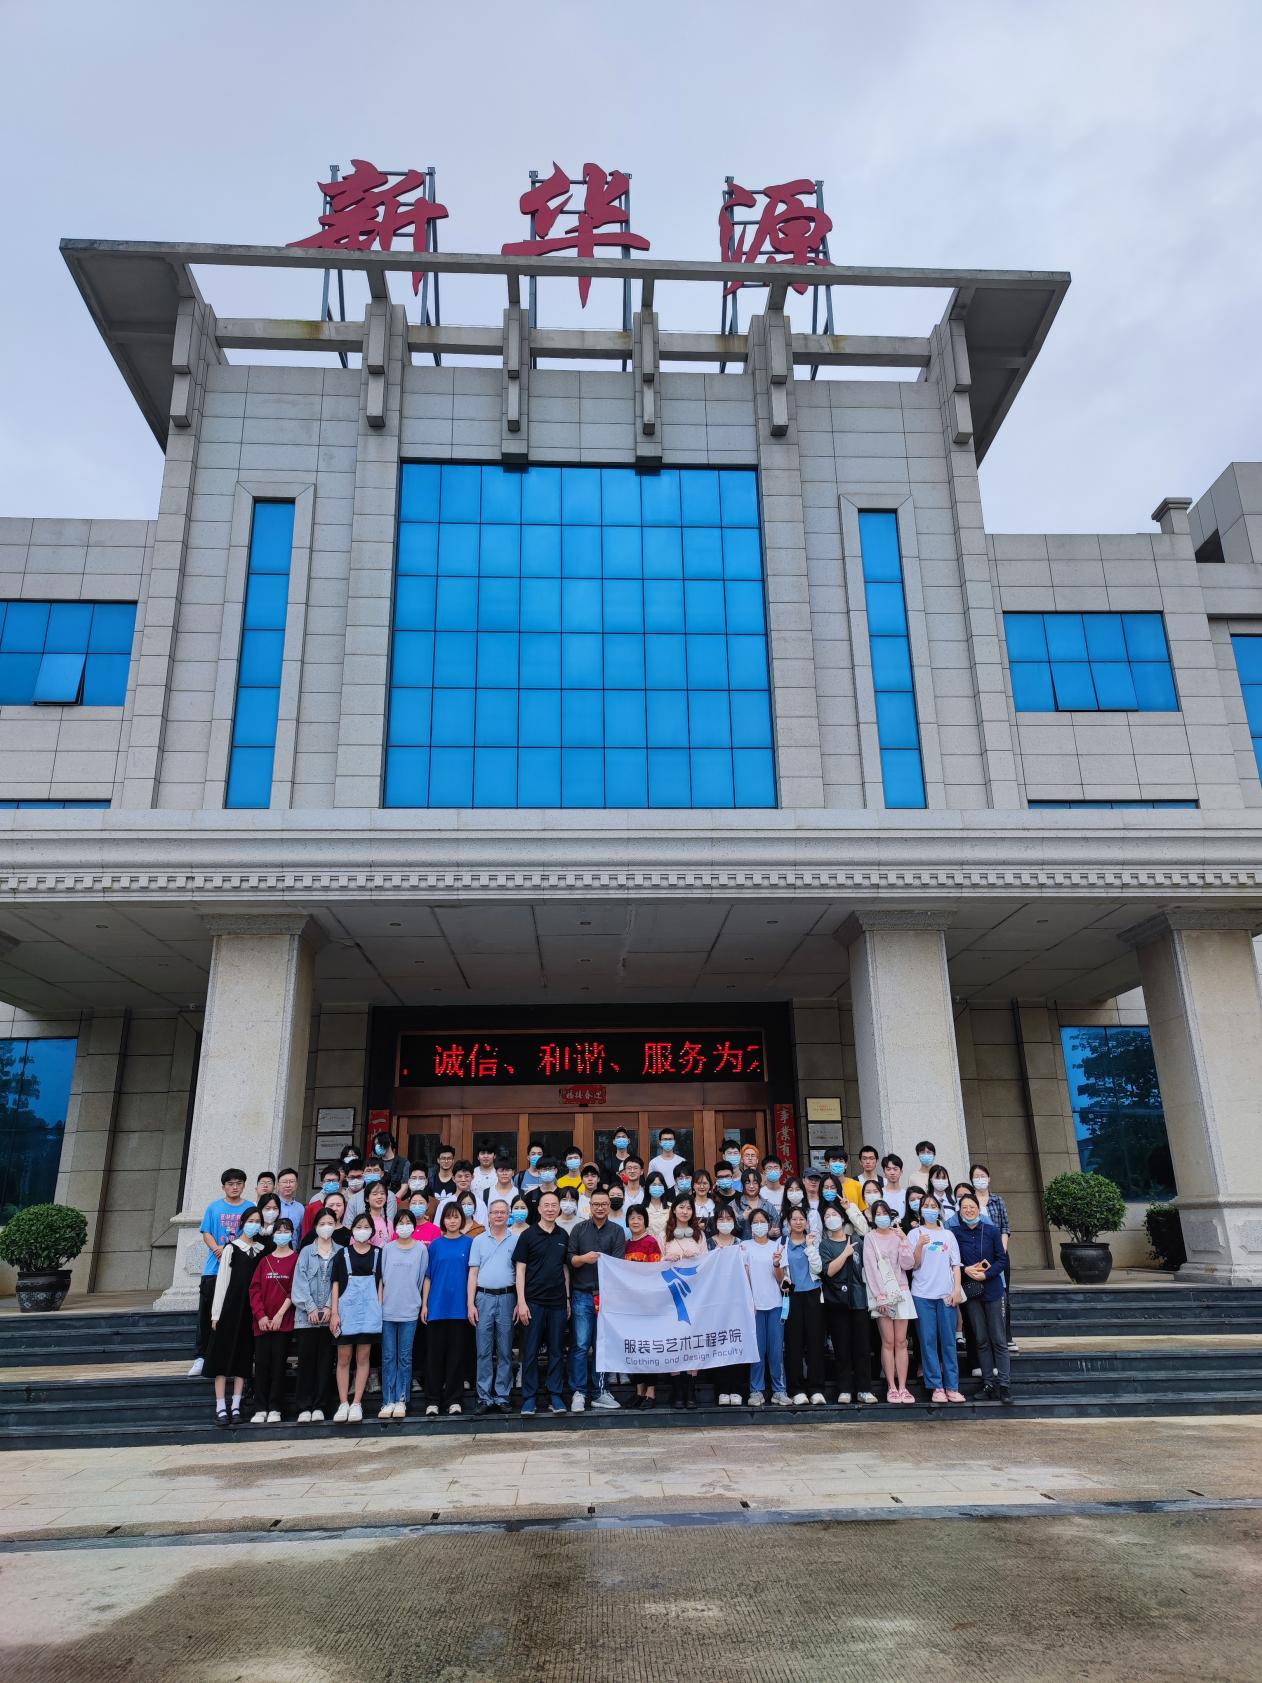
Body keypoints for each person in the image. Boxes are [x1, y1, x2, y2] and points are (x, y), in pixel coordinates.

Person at [204, 1205, 265, 1427]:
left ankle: (236, 1405)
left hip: (251, 1311)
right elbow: (222, 1282)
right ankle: (220, 1406)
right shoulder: (231, 1248)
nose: (254, 1225)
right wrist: (216, 1314)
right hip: (230, 1309)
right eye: (250, 1221)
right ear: (242, 1223)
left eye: (257, 1222)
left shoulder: (262, 1250)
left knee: (243, 1358)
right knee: (221, 1357)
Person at [567, 1188, 626, 1412]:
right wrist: (584, 1258)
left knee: (602, 1345)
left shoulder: (617, 1231)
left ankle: (601, 1391)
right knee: (581, 1345)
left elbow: (618, 1263)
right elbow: (571, 1259)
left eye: (604, 1204)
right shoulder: (579, 1229)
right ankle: (579, 1392)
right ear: (590, 1206)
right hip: (582, 1294)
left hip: (607, 1296)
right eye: (596, 1204)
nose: (600, 1208)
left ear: (609, 1206)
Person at [515, 1188, 570, 1417]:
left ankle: (555, 1395)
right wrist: (521, 1302)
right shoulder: (527, 1235)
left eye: (554, 1205)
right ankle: (529, 1398)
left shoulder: (563, 1235)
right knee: (530, 1351)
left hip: (557, 1302)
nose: (550, 1209)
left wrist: (568, 1298)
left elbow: (565, 1269)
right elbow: (520, 1270)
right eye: (546, 1205)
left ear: (559, 1209)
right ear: (538, 1209)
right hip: (533, 1302)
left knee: (557, 1350)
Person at [953, 1190, 1012, 1403]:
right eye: (965, 1208)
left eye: (972, 1207)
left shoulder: (992, 1231)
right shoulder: (954, 1233)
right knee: (981, 1339)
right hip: (971, 1292)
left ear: (979, 1210)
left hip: (993, 1289)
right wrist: (965, 1269)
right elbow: (952, 1260)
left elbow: (1001, 1259)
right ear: (960, 1211)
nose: (969, 1210)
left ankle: (1004, 1385)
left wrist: (986, 1274)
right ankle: (988, 1383)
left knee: (999, 1339)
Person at [190, 1167, 249, 1377]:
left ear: (244, 1185)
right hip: (213, 1270)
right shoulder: (214, 1207)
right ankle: (201, 1357)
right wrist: (217, 1249)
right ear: (223, 1186)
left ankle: (230, 1358)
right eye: (230, 1184)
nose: (235, 1187)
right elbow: (206, 1232)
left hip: (237, 1270)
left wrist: (230, 1248)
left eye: (239, 1183)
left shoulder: (250, 1207)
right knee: (207, 1315)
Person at [909, 1195, 965, 1403]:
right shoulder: (915, 1233)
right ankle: (936, 1386)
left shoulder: (948, 1235)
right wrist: (919, 1245)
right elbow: (913, 1264)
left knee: (949, 1341)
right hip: (922, 1295)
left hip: (946, 1295)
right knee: (928, 1341)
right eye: (926, 1206)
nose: (930, 1209)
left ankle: (952, 1386)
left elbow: (955, 1265)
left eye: (934, 1206)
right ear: (920, 1210)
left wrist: (956, 1289)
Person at [820, 1200, 877, 1404]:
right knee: (841, 1347)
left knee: (862, 1347)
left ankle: (864, 1389)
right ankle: (844, 1389)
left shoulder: (857, 1240)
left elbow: (867, 1265)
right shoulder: (825, 1245)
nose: (831, 1219)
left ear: (842, 1218)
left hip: (859, 1300)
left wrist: (850, 1208)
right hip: (837, 1302)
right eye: (827, 1216)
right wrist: (845, 1254)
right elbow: (828, 1271)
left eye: (834, 1215)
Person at [419, 1202, 473, 1416]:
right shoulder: (435, 1245)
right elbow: (428, 1277)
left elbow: (473, 1276)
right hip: (437, 1307)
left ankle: (454, 1400)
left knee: (456, 1357)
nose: (452, 1221)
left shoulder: (470, 1243)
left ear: (462, 1219)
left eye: (456, 1216)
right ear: (442, 1220)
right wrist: (425, 1304)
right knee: (434, 1356)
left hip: (460, 1308)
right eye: (448, 1217)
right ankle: (432, 1400)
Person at [330, 1215, 383, 1423]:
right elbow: (335, 1284)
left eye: (366, 1226)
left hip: (370, 1313)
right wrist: (334, 1312)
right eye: (359, 1226)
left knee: (363, 1358)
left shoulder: (378, 1253)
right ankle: (343, 1402)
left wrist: (379, 1308)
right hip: (346, 1312)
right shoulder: (342, 1254)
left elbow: (381, 1284)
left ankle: (357, 1403)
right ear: (352, 1229)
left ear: (372, 1231)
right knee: (343, 1358)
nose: (362, 1230)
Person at [863, 1199, 917, 1403]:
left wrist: (904, 1241)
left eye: (884, 1213)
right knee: (888, 1342)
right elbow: (871, 1268)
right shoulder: (870, 1238)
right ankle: (891, 1387)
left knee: (902, 1342)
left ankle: (903, 1387)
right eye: (878, 1214)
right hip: (882, 1295)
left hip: (901, 1292)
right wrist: (880, 1296)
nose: (882, 1217)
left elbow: (908, 1264)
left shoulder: (897, 1236)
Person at [469, 1197, 518, 1414]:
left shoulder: (516, 1240)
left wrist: (519, 1301)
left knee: (505, 1349)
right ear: (488, 1216)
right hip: (483, 1298)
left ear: (508, 1216)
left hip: (507, 1297)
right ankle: (484, 1397)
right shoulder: (479, 1240)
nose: (499, 1215)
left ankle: (503, 1395)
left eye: (502, 1212)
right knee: (483, 1350)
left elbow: (521, 1273)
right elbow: (473, 1273)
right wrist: (470, 1304)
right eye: (494, 1212)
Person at [376, 1210, 427, 1420]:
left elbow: (422, 1278)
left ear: (413, 1225)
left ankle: (401, 1400)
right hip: (388, 1311)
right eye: (400, 1222)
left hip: (409, 1310)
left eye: (408, 1222)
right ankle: (388, 1400)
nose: (404, 1225)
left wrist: (419, 1303)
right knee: (388, 1357)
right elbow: (381, 1278)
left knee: (405, 1357)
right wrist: (380, 1304)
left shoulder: (421, 1249)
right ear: (395, 1226)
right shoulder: (387, 1249)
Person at [292, 1208, 339, 1422]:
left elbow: (340, 1283)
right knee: (306, 1363)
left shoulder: (341, 1252)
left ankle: (320, 1405)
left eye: (330, 1223)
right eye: (322, 1223)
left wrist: (329, 1307)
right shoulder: (305, 1252)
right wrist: (310, 1307)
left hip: (330, 1318)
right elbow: (299, 1282)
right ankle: (304, 1406)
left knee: (325, 1364)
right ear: (315, 1226)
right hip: (306, 1319)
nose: (326, 1227)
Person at [248, 1218, 297, 1423]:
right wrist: (261, 1315)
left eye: (286, 1230)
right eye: (279, 1231)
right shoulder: (264, 1260)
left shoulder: (296, 1259)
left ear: (292, 1234)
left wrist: (279, 1315)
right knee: (261, 1364)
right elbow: (254, 1290)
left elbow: (294, 1290)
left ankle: (275, 1407)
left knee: (278, 1365)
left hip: (283, 1322)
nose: (282, 1234)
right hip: (262, 1322)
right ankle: (260, 1407)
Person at [662, 1195, 707, 1410]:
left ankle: (690, 1389)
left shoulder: (700, 1235)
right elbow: (655, 1266)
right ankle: (677, 1389)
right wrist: (665, 1260)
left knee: (693, 1340)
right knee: (674, 1341)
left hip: (695, 1295)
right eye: (681, 1207)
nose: (684, 1211)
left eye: (689, 1208)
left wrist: (696, 1257)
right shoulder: (664, 1235)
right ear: (674, 1210)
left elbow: (708, 1264)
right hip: (671, 1296)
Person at [742, 1208, 789, 1407]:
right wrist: (749, 1302)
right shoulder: (744, 1246)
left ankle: (779, 1390)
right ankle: (756, 1390)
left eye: (763, 1221)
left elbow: (781, 1279)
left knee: (776, 1350)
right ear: (750, 1226)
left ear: (769, 1225)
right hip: (754, 1308)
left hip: (775, 1304)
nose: (759, 1225)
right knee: (757, 1351)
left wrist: (776, 1264)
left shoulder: (777, 1246)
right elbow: (744, 1277)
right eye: (755, 1222)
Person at [781, 1205, 826, 1406]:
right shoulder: (782, 1243)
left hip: (813, 1294)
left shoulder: (814, 1241)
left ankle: (816, 1389)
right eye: (794, 1219)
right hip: (792, 1295)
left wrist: (809, 1247)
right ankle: (796, 1389)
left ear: (807, 1222)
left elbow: (818, 1268)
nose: (798, 1222)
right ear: (788, 1222)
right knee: (794, 1344)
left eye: (801, 1219)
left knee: (815, 1342)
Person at [969, 1161, 1016, 1349]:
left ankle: (1007, 1336)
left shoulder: (998, 1200)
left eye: (982, 1176)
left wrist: (1001, 1250)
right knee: (981, 1295)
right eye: (976, 1177)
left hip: (999, 1254)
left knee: (1003, 1293)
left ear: (989, 1178)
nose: (980, 1179)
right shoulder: (969, 1202)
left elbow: (1005, 1227)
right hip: (978, 1256)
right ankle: (987, 1338)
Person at [707, 1205, 749, 1405]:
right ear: (715, 1222)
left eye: (728, 1218)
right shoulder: (708, 1243)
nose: (725, 1222)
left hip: (737, 1301)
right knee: (720, 1344)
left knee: (737, 1343)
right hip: (715, 1303)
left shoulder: (740, 1244)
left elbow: (747, 1272)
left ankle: (737, 1389)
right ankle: (722, 1389)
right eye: (721, 1219)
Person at [623, 1204, 661, 1409]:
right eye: (632, 1218)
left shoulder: (651, 1242)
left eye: (639, 1217)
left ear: (645, 1220)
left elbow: (655, 1272)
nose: (635, 1221)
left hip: (648, 1303)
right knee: (635, 1347)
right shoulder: (625, 1244)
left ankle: (651, 1392)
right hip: (630, 1303)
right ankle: (638, 1391)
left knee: (649, 1348)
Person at [736, 1169, 779, 1239]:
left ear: (759, 1184)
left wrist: (770, 1234)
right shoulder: (734, 1205)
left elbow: (777, 1230)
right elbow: (730, 1232)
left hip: (765, 1245)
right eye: (747, 1182)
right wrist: (742, 1218)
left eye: (755, 1182)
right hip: (742, 1245)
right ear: (743, 1184)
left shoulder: (769, 1206)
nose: (751, 1186)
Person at [304, 1163, 344, 1234]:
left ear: (339, 1183)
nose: (331, 1183)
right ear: (321, 1184)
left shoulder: (343, 1205)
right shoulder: (311, 1207)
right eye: (328, 1181)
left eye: (334, 1181)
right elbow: (306, 1231)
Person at [275, 1168, 306, 1238]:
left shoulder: (300, 1208)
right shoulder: (272, 1204)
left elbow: (301, 1232)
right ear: (278, 1185)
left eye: (291, 1181)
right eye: (284, 1182)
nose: (288, 1185)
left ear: (296, 1185)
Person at [643, 1173, 671, 1239]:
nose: (657, 1187)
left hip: (667, 1243)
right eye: (654, 1185)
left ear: (664, 1187)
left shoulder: (671, 1207)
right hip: (648, 1243)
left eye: (660, 1185)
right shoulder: (642, 1208)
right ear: (648, 1187)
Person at [880, 1155, 908, 1219]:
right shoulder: (880, 1194)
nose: (892, 1173)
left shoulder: (906, 1194)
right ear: (884, 1172)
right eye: (888, 1169)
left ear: (901, 1172)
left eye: (895, 1169)